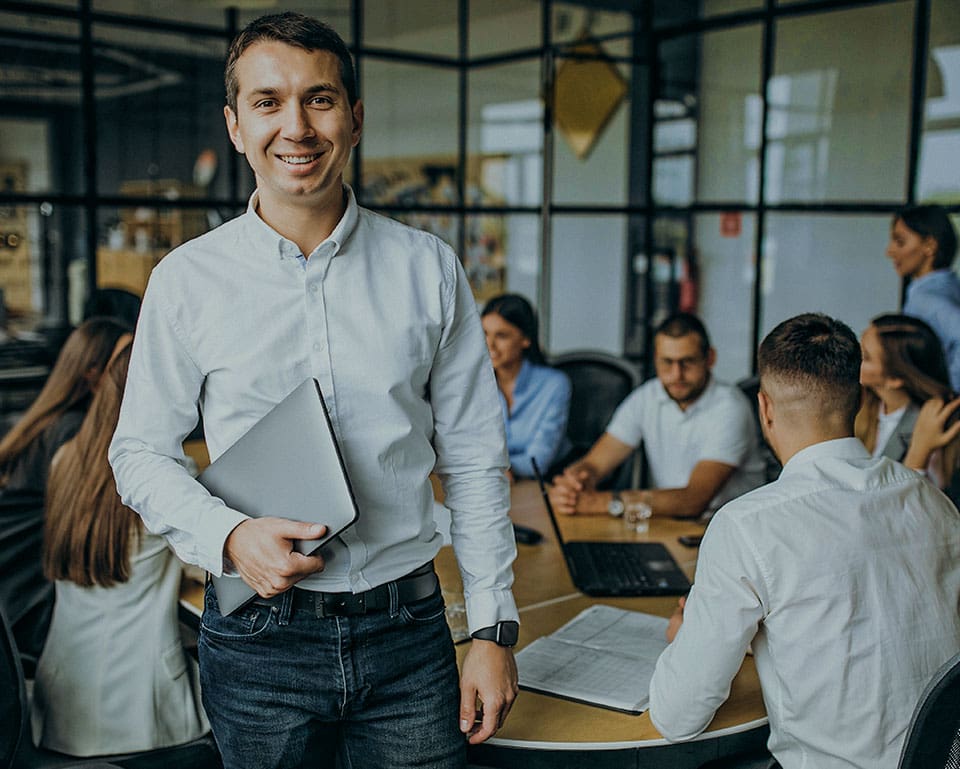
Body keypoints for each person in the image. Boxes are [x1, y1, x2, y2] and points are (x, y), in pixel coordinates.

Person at [108, 12, 518, 769]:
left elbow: (474, 458)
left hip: (412, 633)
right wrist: (228, 537)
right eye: (267, 102)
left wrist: (492, 629)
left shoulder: (428, 268)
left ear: (355, 119)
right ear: (235, 126)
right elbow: (137, 452)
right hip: (259, 636)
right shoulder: (185, 282)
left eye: (319, 99)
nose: (295, 125)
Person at [649, 313, 960, 769]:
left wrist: (684, 640)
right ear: (856, 401)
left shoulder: (748, 525)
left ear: (765, 409)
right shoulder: (936, 504)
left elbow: (678, 717)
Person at [31, 338, 208, 756]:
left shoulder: (65, 460)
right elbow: (207, 562)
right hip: (141, 711)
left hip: (60, 704)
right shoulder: (171, 477)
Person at [0, 316, 131, 661]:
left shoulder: (45, 423)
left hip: (17, 602)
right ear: (91, 373)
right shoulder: (73, 437)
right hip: (38, 607)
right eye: (123, 363)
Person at [549, 312, 765, 519]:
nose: (676, 374)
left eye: (687, 362)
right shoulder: (647, 396)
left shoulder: (730, 407)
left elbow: (693, 500)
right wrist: (577, 481)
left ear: (710, 358)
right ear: (656, 359)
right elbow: (596, 463)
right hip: (669, 524)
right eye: (667, 362)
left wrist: (599, 503)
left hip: (723, 530)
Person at [855, 313, 960, 488]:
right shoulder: (858, 405)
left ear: (894, 379)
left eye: (865, 357)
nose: (852, 357)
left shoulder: (932, 426)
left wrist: (919, 452)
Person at [481, 293, 571, 480]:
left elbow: (538, 461)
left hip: (546, 484)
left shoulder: (554, 385)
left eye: (502, 336)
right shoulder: (476, 385)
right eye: (484, 334)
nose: (489, 345)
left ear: (526, 339)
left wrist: (490, 466)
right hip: (493, 482)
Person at [886, 203, 960, 390]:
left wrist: (947, 396)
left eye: (900, 242)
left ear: (930, 246)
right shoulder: (948, 288)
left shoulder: (928, 300)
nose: (890, 251)